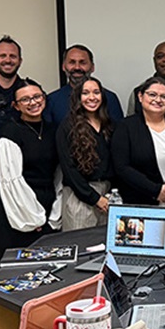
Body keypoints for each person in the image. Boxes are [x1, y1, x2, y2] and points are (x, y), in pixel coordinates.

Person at [0, 82, 61, 252]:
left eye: (37, 97)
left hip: (47, 203)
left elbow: (60, 173)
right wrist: (31, 217)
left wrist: (54, 214)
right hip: (18, 207)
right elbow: (10, 180)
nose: (33, 102)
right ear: (16, 106)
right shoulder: (9, 133)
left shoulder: (54, 130)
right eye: (25, 100)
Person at [56, 77, 114, 231]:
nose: (92, 97)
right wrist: (95, 199)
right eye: (86, 93)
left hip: (107, 196)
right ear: (78, 98)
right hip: (80, 196)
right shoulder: (67, 126)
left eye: (96, 92)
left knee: (105, 247)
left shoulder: (109, 125)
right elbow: (69, 170)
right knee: (80, 248)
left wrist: (106, 198)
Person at [111, 77, 165, 207]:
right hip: (139, 203)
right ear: (140, 97)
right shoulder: (125, 127)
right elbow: (122, 167)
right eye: (152, 95)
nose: (158, 100)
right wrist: (156, 190)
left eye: (164, 97)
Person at [44, 45, 124, 126]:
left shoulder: (109, 98)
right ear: (63, 67)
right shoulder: (52, 100)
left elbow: (119, 133)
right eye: (72, 62)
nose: (77, 67)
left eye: (83, 62)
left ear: (92, 67)